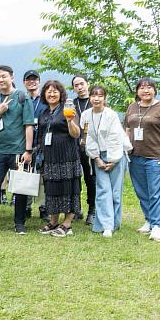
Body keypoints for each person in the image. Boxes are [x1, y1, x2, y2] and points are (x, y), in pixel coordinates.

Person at [0, 66, 34, 234]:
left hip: (19, 150)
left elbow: (28, 125)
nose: (1, 80)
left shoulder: (22, 97)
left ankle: (19, 222)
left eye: (4, 76)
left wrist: (28, 150)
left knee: (20, 187)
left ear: (12, 77)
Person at [125, 78, 160, 242]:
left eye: (149, 87)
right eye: (141, 88)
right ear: (137, 91)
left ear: (154, 90)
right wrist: (125, 148)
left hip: (156, 157)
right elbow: (127, 129)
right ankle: (148, 219)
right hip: (135, 156)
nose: (145, 90)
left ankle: (157, 226)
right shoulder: (132, 107)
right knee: (142, 191)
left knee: (156, 193)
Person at [80, 86, 132, 237]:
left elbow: (115, 138)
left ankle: (114, 222)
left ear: (105, 98)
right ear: (90, 98)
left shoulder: (111, 115)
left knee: (115, 191)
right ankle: (105, 225)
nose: (96, 99)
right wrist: (96, 158)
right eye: (94, 95)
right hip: (98, 156)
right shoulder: (85, 115)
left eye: (100, 96)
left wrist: (113, 160)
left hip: (116, 154)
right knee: (103, 190)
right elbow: (88, 138)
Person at [37, 80, 82, 238]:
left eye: (55, 91)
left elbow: (76, 134)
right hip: (50, 157)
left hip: (67, 156)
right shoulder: (44, 113)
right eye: (48, 91)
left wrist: (70, 122)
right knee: (52, 189)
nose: (51, 94)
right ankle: (53, 220)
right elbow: (41, 135)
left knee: (68, 188)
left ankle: (67, 224)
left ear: (61, 94)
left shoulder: (67, 109)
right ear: (44, 94)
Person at [24, 70, 48, 220]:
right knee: (25, 174)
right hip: (25, 143)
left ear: (39, 81)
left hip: (42, 143)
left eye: (34, 79)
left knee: (43, 178)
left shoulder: (45, 100)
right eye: (28, 80)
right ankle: (25, 207)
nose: (32, 82)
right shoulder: (22, 99)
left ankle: (43, 207)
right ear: (24, 82)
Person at [72, 74, 96, 225]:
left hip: (91, 146)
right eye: (76, 85)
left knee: (90, 178)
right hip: (74, 146)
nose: (79, 87)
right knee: (75, 178)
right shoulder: (71, 104)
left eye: (82, 84)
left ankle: (92, 210)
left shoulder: (94, 102)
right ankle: (76, 208)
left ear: (88, 84)